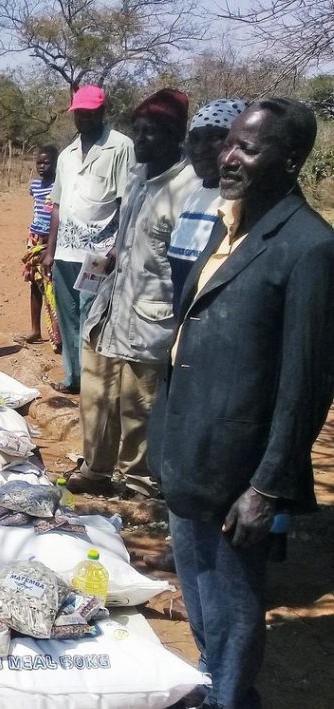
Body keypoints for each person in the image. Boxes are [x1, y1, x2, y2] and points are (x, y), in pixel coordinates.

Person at [148, 98, 334, 709]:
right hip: (188, 445)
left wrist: (268, 484)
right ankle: (211, 678)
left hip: (239, 462)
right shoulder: (225, 228)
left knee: (230, 593)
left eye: (247, 149)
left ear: (288, 160)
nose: (228, 156)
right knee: (196, 583)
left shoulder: (309, 248)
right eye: (229, 143)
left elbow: (305, 383)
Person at [68, 88, 199, 499]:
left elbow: (190, 266)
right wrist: (110, 256)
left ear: (176, 136)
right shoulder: (137, 176)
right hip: (111, 304)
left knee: (138, 403)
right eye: (138, 130)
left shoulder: (189, 189)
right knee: (97, 394)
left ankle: (139, 482)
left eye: (153, 132)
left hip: (150, 317)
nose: (141, 140)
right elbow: (126, 238)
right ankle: (97, 469)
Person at [143, 97, 247, 574]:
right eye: (198, 141)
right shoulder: (196, 198)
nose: (205, 151)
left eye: (216, 140)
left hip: (215, 351)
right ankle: (183, 546)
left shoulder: (237, 205)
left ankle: (218, 562)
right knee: (174, 452)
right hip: (180, 339)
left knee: (208, 461)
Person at [41, 85, 135, 394]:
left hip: (97, 253)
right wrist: (49, 250)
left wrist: (115, 248)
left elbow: (127, 203)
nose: (82, 119)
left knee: (89, 314)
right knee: (67, 316)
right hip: (65, 252)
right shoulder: (67, 154)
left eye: (89, 113)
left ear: (102, 112)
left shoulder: (120, 147)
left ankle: (93, 382)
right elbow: (57, 205)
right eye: (78, 113)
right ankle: (73, 378)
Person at [165, 99, 248, 313]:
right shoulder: (192, 194)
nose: (200, 149)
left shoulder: (244, 203)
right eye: (194, 139)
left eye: (215, 138)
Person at [16, 145, 61, 347]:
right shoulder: (34, 186)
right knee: (34, 284)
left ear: (56, 164)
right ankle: (35, 330)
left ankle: (57, 335)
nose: (42, 166)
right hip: (34, 238)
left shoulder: (59, 187)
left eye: (47, 162)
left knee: (51, 287)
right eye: (39, 162)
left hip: (51, 240)